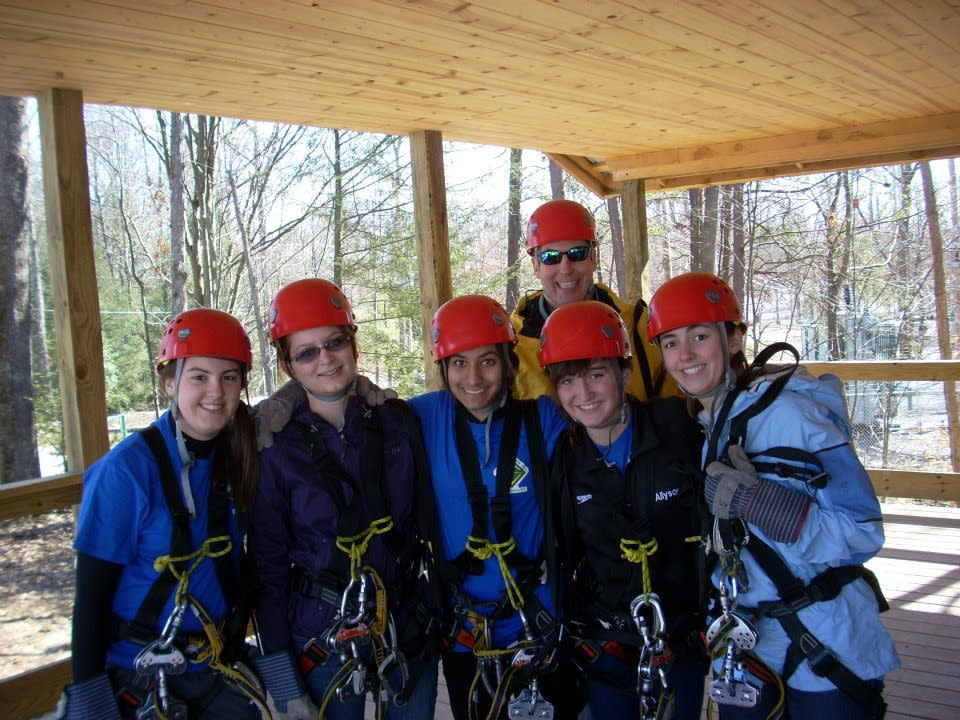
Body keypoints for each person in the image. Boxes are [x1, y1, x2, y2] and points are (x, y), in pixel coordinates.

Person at [646, 272, 899, 720]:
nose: (684, 355)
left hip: (824, 635)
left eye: (699, 337)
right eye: (670, 343)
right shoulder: (713, 422)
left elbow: (862, 532)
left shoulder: (792, 414)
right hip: (753, 640)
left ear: (735, 339)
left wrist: (758, 502)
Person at [248, 278, 438, 720]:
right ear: (288, 365)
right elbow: (267, 566)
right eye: (307, 352)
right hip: (320, 630)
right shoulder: (273, 448)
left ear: (353, 345)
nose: (326, 359)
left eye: (334, 342)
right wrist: (284, 683)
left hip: (405, 619)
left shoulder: (398, 422)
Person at [65, 308, 265, 720]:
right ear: (170, 381)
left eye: (229, 377)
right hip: (137, 673)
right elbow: (91, 598)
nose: (216, 391)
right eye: (199, 377)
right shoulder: (124, 474)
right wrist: (90, 697)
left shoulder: (239, 456)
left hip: (214, 664)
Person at [538, 300, 708, 720]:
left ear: (625, 374)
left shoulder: (679, 427)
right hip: (607, 642)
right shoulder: (565, 458)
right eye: (568, 381)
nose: (584, 395)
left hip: (679, 638)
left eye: (597, 375)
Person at [411, 294, 575, 720]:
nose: (474, 378)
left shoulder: (544, 419)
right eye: (459, 363)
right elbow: (344, 400)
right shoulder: (425, 417)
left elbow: (607, 418)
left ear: (509, 362)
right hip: (465, 631)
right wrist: (283, 404)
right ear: (444, 370)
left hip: (537, 624)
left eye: (487, 360)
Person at [511, 198, 676, 401]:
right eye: (550, 257)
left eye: (577, 253)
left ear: (593, 258)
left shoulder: (640, 329)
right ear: (536, 265)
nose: (566, 268)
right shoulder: (513, 345)